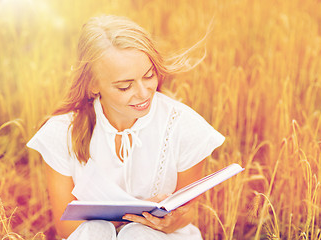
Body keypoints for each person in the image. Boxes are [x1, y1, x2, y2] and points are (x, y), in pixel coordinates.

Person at [27, 15, 225, 240]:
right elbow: (67, 229)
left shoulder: (185, 127)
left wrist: (173, 220)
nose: (143, 92)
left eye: (149, 75)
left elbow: (187, 212)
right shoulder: (61, 133)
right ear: (93, 85)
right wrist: (131, 214)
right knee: (96, 232)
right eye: (124, 86)